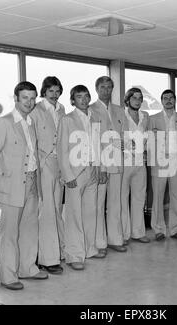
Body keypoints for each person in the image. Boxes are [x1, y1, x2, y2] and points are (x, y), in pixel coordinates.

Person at [0, 81, 48, 291]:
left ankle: (28, 268)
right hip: (11, 186)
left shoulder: (30, 123)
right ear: (16, 98)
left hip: (31, 182)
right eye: (25, 98)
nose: (29, 102)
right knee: (10, 234)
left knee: (30, 229)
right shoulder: (4, 123)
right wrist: (0, 183)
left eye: (32, 98)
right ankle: (9, 276)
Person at [57, 85, 103, 271]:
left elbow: (97, 146)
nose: (83, 100)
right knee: (74, 216)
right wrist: (68, 175)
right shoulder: (67, 120)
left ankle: (90, 249)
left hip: (92, 169)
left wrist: (99, 168)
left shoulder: (95, 119)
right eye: (79, 97)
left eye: (86, 96)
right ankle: (74, 255)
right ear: (72, 100)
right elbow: (61, 150)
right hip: (75, 173)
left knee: (90, 213)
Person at [29, 76, 66, 275]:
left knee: (56, 210)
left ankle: (59, 251)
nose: (54, 94)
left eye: (57, 90)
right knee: (47, 212)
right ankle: (46, 258)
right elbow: (32, 141)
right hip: (43, 164)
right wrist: (38, 166)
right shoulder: (36, 110)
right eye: (50, 90)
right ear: (44, 91)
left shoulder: (61, 109)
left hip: (59, 164)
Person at [90, 76, 126, 253]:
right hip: (101, 163)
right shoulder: (91, 110)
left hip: (117, 161)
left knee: (115, 201)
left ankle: (115, 239)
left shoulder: (119, 110)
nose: (106, 90)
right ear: (97, 89)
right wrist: (99, 166)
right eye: (103, 87)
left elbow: (123, 136)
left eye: (109, 87)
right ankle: (99, 242)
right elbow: (93, 141)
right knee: (98, 204)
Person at [148, 89, 177, 241]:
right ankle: (158, 229)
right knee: (157, 197)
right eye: (165, 98)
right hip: (159, 161)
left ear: (175, 100)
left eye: (171, 98)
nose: (168, 100)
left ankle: (176, 228)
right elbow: (148, 140)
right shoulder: (153, 119)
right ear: (161, 101)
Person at [121, 88, 150, 244]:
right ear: (128, 100)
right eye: (134, 98)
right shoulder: (121, 115)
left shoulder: (144, 117)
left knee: (139, 197)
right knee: (123, 198)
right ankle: (124, 234)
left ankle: (138, 232)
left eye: (140, 98)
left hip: (140, 161)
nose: (137, 101)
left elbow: (147, 136)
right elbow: (115, 135)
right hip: (124, 162)